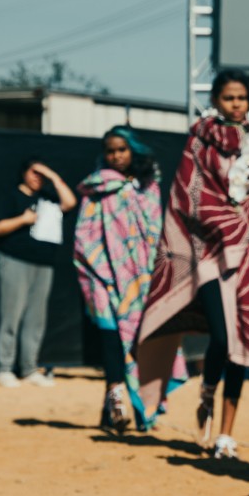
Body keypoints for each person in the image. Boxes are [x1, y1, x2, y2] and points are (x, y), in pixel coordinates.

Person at [136, 70, 249, 459]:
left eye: (241, 97)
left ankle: (226, 434)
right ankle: (207, 392)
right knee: (222, 337)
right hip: (210, 253)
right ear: (216, 100)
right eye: (228, 97)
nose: (236, 104)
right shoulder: (199, 143)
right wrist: (230, 223)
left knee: (241, 342)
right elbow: (190, 196)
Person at [73, 126, 186, 433]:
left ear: (132, 150)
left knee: (141, 340)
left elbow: (155, 230)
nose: (116, 156)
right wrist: (98, 267)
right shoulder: (97, 187)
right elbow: (84, 232)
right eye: (110, 151)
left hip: (140, 277)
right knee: (111, 336)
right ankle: (116, 399)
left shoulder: (148, 186)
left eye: (121, 149)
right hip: (102, 275)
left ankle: (133, 411)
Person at [0, 158, 77, 388]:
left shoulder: (48, 199)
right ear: (24, 173)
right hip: (14, 261)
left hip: (44, 264)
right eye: (34, 172)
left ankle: (29, 368)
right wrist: (23, 220)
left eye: (41, 174)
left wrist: (53, 176)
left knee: (35, 319)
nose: (38, 178)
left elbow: (70, 202)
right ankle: (5, 369)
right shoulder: (10, 195)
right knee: (11, 315)